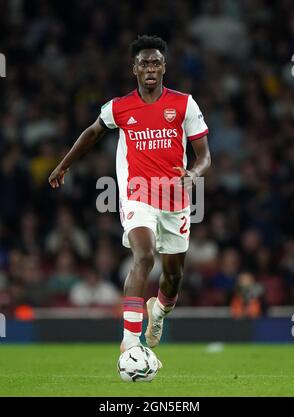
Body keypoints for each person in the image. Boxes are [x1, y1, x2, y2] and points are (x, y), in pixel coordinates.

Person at [48, 35, 211, 360]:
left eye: (155, 62)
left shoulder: (184, 104)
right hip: (138, 195)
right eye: (143, 63)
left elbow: (205, 156)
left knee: (174, 276)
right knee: (144, 256)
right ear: (133, 69)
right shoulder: (120, 107)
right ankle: (130, 341)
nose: (150, 67)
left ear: (164, 67)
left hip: (176, 199)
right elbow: (93, 131)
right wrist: (63, 165)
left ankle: (159, 313)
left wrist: (193, 174)